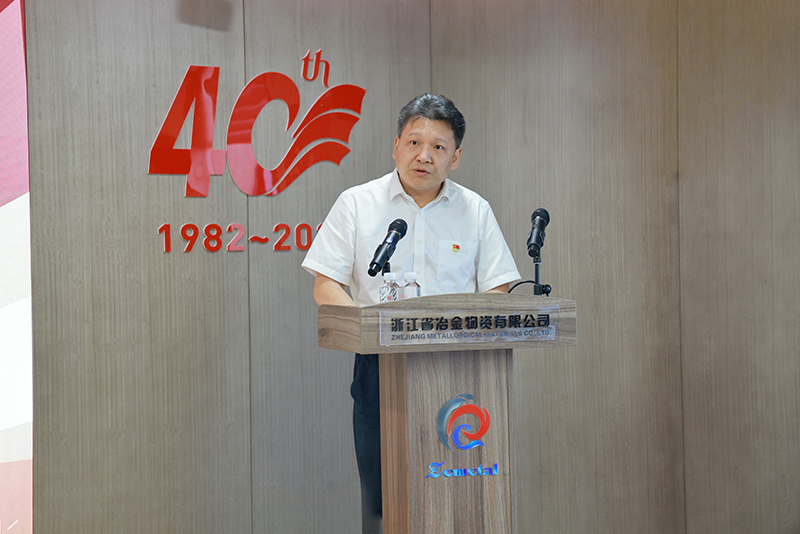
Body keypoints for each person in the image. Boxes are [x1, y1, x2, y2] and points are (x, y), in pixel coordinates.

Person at [301, 93, 520, 534]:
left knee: (460, 499)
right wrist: (370, 330)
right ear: (396, 145)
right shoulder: (357, 203)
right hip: (380, 371)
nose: (424, 156)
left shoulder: (475, 210)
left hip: (460, 375)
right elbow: (326, 285)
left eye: (438, 147)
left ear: (455, 157)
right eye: (414, 142)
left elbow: (497, 289)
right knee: (383, 504)